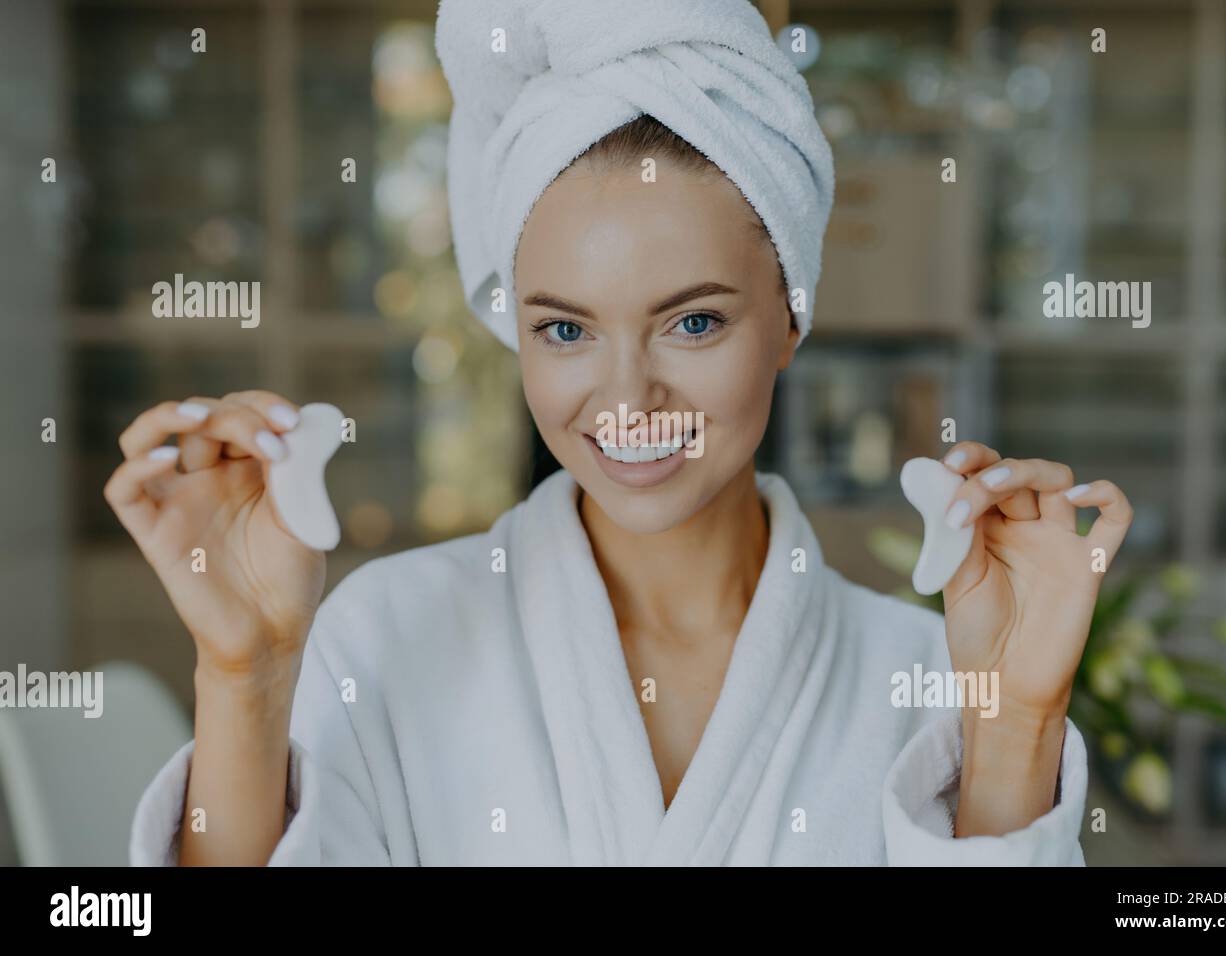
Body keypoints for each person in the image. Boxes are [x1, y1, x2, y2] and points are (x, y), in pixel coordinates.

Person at [116, 0, 1131, 866]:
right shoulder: (385, 634)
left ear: (789, 315)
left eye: (693, 321)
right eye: (565, 329)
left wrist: (1015, 721)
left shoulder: (923, 677)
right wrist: (243, 675)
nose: (628, 397)